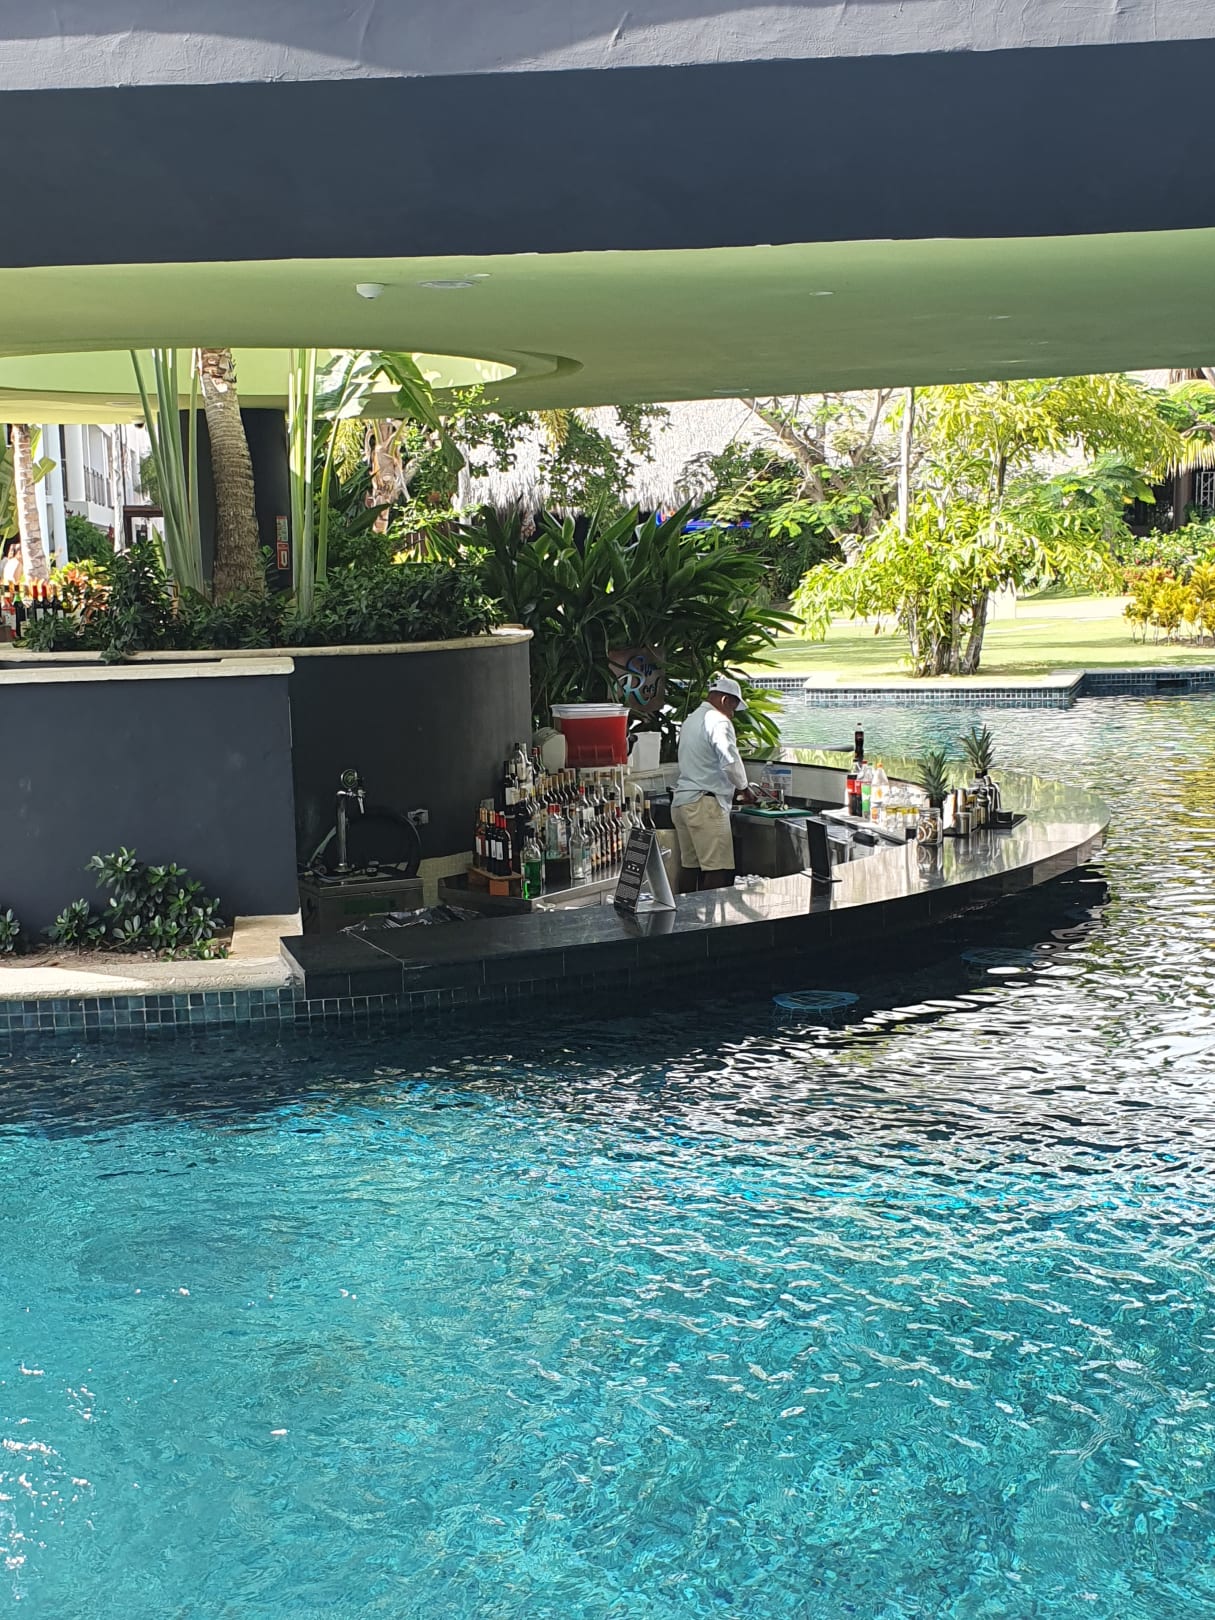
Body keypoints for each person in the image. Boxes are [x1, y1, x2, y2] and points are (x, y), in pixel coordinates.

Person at [671, 676, 756, 890]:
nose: (732, 714)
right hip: (705, 805)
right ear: (725, 700)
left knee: (690, 866)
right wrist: (744, 788)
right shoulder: (718, 721)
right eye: (733, 708)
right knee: (716, 869)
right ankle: (710, 914)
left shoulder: (691, 720)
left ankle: (683, 911)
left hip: (683, 802)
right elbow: (729, 760)